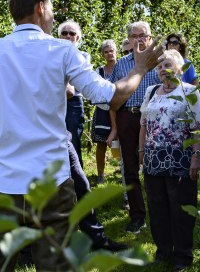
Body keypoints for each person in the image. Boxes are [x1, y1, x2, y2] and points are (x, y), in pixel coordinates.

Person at [0, 0, 163, 271]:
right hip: (51, 182)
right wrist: (139, 69)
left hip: (3, 183)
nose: (52, 17)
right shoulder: (62, 51)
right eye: (51, 10)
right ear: (40, 9)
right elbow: (112, 96)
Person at [139, 50, 200, 270]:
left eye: (167, 65)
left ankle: (183, 256)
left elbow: (197, 127)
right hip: (153, 157)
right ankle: (163, 251)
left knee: (181, 208)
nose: (162, 69)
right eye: (159, 67)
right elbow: (144, 124)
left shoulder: (190, 91)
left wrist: (196, 156)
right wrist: (141, 152)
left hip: (180, 157)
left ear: (179, 68)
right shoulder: (150, 91)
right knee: (157, 207)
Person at [109, 21, 161, 234]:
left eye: (144, 35)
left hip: (153, 119)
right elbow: (112, 97)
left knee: (154, 165)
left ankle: (158, 213)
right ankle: (137, 216)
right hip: (128, 117)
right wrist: (114, 127)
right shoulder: (121, 64)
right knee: (129, 167)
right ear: (129, 39)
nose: (140, 39)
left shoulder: (159, 62)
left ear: (150, 38)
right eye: (135, 35)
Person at [59, 20, 89, 167]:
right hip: (55, 102)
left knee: (73, 141)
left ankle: (78, 181)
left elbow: (75, 84)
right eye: (64, 33)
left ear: (78, 38)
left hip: (74, 103)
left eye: (72, 33)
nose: (68, 36)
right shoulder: (54, 55)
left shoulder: (83, 56)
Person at [92, 40, 118, 184]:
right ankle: (100, 174)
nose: (109, 54)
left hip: (119, 109)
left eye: (111, 51)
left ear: (116, 52)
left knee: (122, 142)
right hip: (102, 110)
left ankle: (123, 170)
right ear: (103, 55)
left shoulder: (121, 68)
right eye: (106, 52)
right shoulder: (99, 71)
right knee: (101, 144)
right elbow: (96, 90)